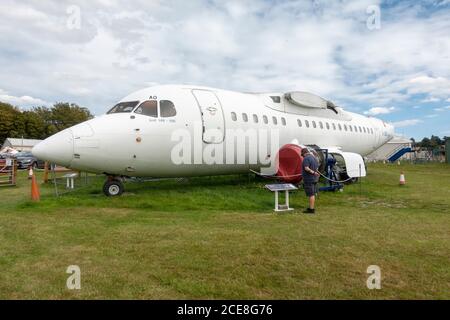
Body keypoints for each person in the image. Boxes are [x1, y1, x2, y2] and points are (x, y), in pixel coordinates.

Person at [301, 148, 320, 214]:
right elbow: (317, 168)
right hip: (314, 179)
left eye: (302, 155)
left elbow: (306, 168)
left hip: (309, 179)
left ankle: (311, 209)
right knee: (313, 194)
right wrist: (315, 173)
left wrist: (313, 172)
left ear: (303, 153)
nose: (303, 156)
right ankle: (311, 208)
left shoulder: (306, 158)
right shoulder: (314, 158)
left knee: (311, 194)